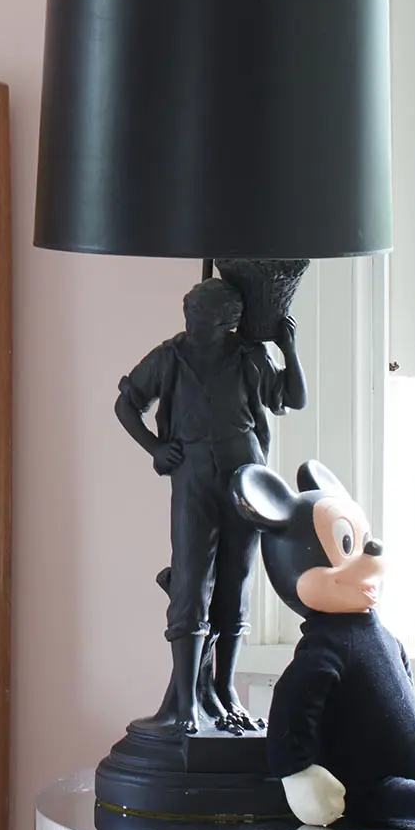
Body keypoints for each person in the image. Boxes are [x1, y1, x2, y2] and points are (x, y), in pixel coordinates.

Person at [114, 274, 304, 734]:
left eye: (204, 314)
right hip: (194, 472)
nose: (193, 320)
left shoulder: (249, 358)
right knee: (190, 579)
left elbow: (293, 398)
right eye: (192, 312)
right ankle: (184, 703)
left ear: (227, 320)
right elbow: (126, 404)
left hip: (245, 475)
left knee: (236, 579)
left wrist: (288, 349)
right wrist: (156, 448)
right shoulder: (169, 358)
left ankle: (224, 689)